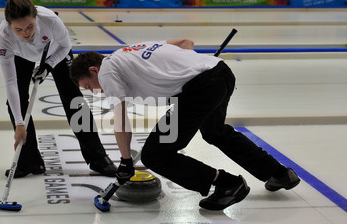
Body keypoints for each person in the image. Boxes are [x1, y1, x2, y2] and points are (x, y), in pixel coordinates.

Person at [69, 38, 300, 210]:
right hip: (220, 73)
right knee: (215, 132)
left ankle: (228, 184)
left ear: (94, 70)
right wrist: (186, 65)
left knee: (155, 155)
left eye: (89, 86)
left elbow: (120, 119)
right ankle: (280, 173)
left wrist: (126, 160)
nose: (95, 92)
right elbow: (184, 42)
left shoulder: (108, 71)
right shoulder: (128, 51)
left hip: (201, 87)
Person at [0, 0, 117, 178]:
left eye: (30, 27)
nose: (26, 33)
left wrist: (48, 65)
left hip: (56, 53)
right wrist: (20, 124)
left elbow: (65, 46)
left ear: (36, 17)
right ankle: (30, 161)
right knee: (16, 102)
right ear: (9, 26)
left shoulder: (50, 20)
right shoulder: (3, 37)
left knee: (74, 100)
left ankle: (98, 158)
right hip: (22, 56)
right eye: (18, 30)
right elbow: (10, 82)